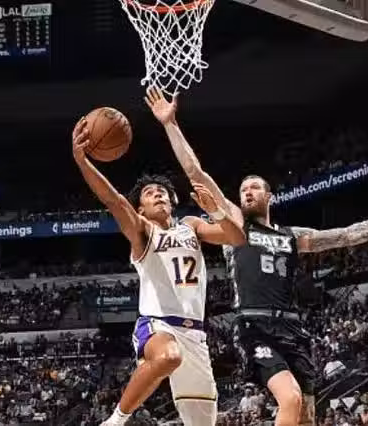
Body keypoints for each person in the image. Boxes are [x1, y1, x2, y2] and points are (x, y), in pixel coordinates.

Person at [144, 87, 368, 426]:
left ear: (270, 196)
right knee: (290, 398)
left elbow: (347, 235)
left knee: (306, 416)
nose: (246, 192)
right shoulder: (235, 224)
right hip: (254, 324)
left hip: (292, 327)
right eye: (243, 190)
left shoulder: (292, 236)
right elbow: (196, 173)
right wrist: (170, 124)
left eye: (254, 188)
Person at [71, 118, 246, 426]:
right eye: (150, 193)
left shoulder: (191, 226)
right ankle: (115, 421)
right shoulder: (142, 231)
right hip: (157, 324)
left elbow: (236, 238)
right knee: (168, 356)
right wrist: (82, 161)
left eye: (163, 191)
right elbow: (113, 200)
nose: (159, 194)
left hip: (196, 334)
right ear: (140, 208)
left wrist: (216, 211)